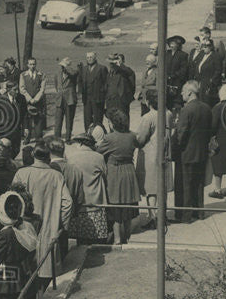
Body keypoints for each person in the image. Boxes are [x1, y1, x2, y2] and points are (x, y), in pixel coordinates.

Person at [11, 138, 73, 287]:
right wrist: (61, 224)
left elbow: (12, 199)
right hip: (49, 228)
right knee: (46, 276)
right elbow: (68, 203)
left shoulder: (22, 173)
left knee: (27, 275)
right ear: (49, 157)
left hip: (25, 227)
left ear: (33, 155)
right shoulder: (56, 176)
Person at [97, 107, 141, 244]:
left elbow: (98, 152)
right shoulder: (132, 136)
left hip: (115, 173)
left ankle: (117, 239)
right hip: (129, 171)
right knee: (128, 208)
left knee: (115, 209)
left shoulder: (109, 138)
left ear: (113, 123)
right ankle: (127, 236)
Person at [173, 80, 213, 222]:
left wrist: (175, 147)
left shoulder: (186, 110)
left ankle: (185, 216)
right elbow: (209, 131)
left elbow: (181, 134)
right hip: (201, 152)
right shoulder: (207, 108)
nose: (182, 94)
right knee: (198, 184)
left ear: (189, 93)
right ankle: (199, 212)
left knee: (185, 185)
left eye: (183, 92)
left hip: (186, 153)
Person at [134, 89, 172, 228]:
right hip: (164, 153)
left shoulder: (148, 117)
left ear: (148, 101)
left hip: (150, 155)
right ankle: (163, 215)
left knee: (150, 189)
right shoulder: (168, 114)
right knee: (162, 187)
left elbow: (140, 138)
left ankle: (153, 217)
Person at [65, 133, 111, 244]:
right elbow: (105, 175)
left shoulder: (71, 158)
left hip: (80, 204)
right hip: (96, 201)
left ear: (80, 143)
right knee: (98, 240)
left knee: (80, 240)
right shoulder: (99, 157)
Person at [48, 137, 85, 258]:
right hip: (67, 218)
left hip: (48, 216)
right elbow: (80, 198)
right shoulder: (75, 170)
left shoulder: (48, 169)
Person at [105, 53, 136, 131]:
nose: (113, 64)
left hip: (121, 101)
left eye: (116, 61)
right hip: (110, 102)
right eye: (111, 62)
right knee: (111, 122)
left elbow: (130, 73)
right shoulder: (109, 73)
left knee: (123, 121)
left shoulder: (125, 73)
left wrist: (120, 65)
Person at [18, 57, 46, 143]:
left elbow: (42, 89)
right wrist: (29, 99)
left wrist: (36, 99)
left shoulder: (41, 75)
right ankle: (27, 138)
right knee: (27, 120)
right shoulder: (23, 75)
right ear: (27, 65)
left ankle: (38, 137)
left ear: (36, 64)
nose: (32, 66)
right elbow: (22, 88)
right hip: (27, 101)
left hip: (38, 101)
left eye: (34, 64)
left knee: (38, 119)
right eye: (30, 64)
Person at [78, 51, 108, 130]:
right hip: (87, 98)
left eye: (91, 57)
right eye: (87, 57)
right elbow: (80, 81)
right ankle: (88, 136)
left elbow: (106, 83)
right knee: (87, 119)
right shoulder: (83, 69)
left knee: (98, 119)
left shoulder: (102, 68)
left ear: (95, 57)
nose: (89, 59)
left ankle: (98, 135)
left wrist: (102, 93)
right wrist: (80, 92)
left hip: (98, 98)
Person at [52, 56, 79, 139]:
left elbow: (74, 74)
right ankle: (57, 137)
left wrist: (67, 68)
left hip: (70, 99)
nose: (62, 67)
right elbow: (56, 85)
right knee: (58, 120)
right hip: (60, 99)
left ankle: (68, 138)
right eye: (62, 66)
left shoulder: (73, 73)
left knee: (69, 120)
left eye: (64, 66)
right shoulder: (57, 73)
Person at [192, 38, 223, 107]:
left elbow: (218, 71)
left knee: (208, 103)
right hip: (200, 82)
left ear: (211, 47)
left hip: (209, 84)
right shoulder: (202, 55)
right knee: (200, 102)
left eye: (206, 46)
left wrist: (211, 81)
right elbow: (196, 66)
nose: (204, 48)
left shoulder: (216, 56)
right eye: (203, 46)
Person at [164, 35, 190, 110]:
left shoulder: (183, 55)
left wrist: (173, 76)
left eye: (174, 43)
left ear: (178, 45)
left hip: (177, 83)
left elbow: (183, 70)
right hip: (167, 82)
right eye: (170, 43)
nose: (171, 45)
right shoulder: (167, 53)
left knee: (176, 104)